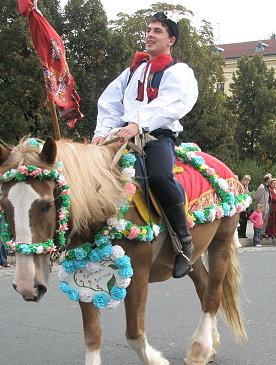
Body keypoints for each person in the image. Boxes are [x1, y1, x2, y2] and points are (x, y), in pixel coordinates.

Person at [92, 12, 198, 278]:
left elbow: (172, 103)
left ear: (171, 40)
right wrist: (101, 133)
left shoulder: (178, 71)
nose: (150, 34)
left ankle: (183, 243)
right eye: (149, 29)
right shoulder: (132, 71)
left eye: (158, 31)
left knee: (160, 176)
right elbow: (110, 103)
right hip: (122, 134)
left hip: (156, 135)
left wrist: (140, 123)